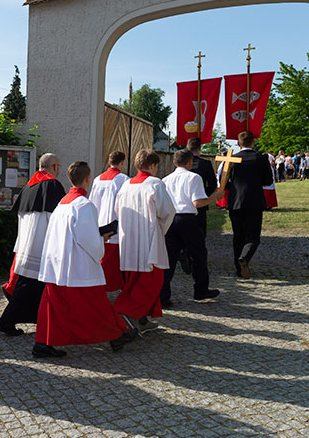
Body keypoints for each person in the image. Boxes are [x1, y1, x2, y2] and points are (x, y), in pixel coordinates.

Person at [34, 161, 136, 358]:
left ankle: (42, 342)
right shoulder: (84, 205)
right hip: (77, 265)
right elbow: (88, 240)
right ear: (88, 179)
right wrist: (102, 240)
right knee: (96, 303)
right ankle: (117, 334)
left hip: (57, 264)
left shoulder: (63, 203)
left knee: (53, 305)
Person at [0, 153, 65, 336]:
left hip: (26, 243)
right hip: (41, 244)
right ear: (55, 167)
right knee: (29, 287)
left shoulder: (28, 186)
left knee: (31, 286)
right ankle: (6, 321)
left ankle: (37, 319)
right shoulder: (53, 184)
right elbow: (58, 218)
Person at [114, 150, 175, 333]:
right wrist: (160, 230)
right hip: (148, 239)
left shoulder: (126, 185)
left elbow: (117, 209)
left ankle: (141, 319)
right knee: (151, 282)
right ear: (153, 165)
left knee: (134, 280)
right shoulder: (155, 183)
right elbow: (167, 212)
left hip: (128, 239)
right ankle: (125, 312)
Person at [160, 150, 224, 306]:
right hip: (187, 218)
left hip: (170, 219)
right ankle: (200, 290)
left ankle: (163, 295)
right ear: (190, 162)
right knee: (198, 255)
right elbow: (198, 203)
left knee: (168, 258)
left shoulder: (166, 179)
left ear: (174, 162)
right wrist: (215, 197)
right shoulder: (194, 177)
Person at [227, 131, 273, 279]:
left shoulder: (231, 159)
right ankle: (245, 257)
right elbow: (268, 181)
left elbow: (224, 182)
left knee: (238, 236)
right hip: (254, 202)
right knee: (253, 236)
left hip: (235, 202)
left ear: (239, 144)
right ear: (253, 142)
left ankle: (239, 269)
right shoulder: (261, 159)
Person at [88, 150, 129, 292]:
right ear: (122, 162)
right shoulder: (123, 179)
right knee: (111, 265)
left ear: (109, 162)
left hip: (98, 223)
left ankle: (97, 287)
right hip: (114, 225)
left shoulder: (97, 179)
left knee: (100, 259)